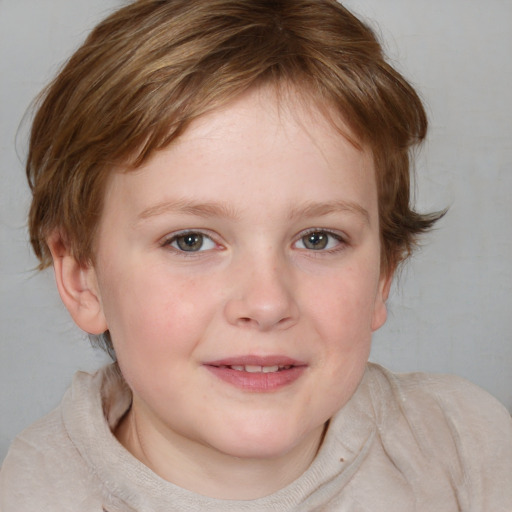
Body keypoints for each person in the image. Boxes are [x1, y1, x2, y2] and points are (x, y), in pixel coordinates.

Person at [1, 0, 511, 509]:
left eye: (318, 239)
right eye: (190, 241)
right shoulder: (30, 496)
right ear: (81, 276)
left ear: (383, 272)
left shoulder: (466, 449)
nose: (267, 304)